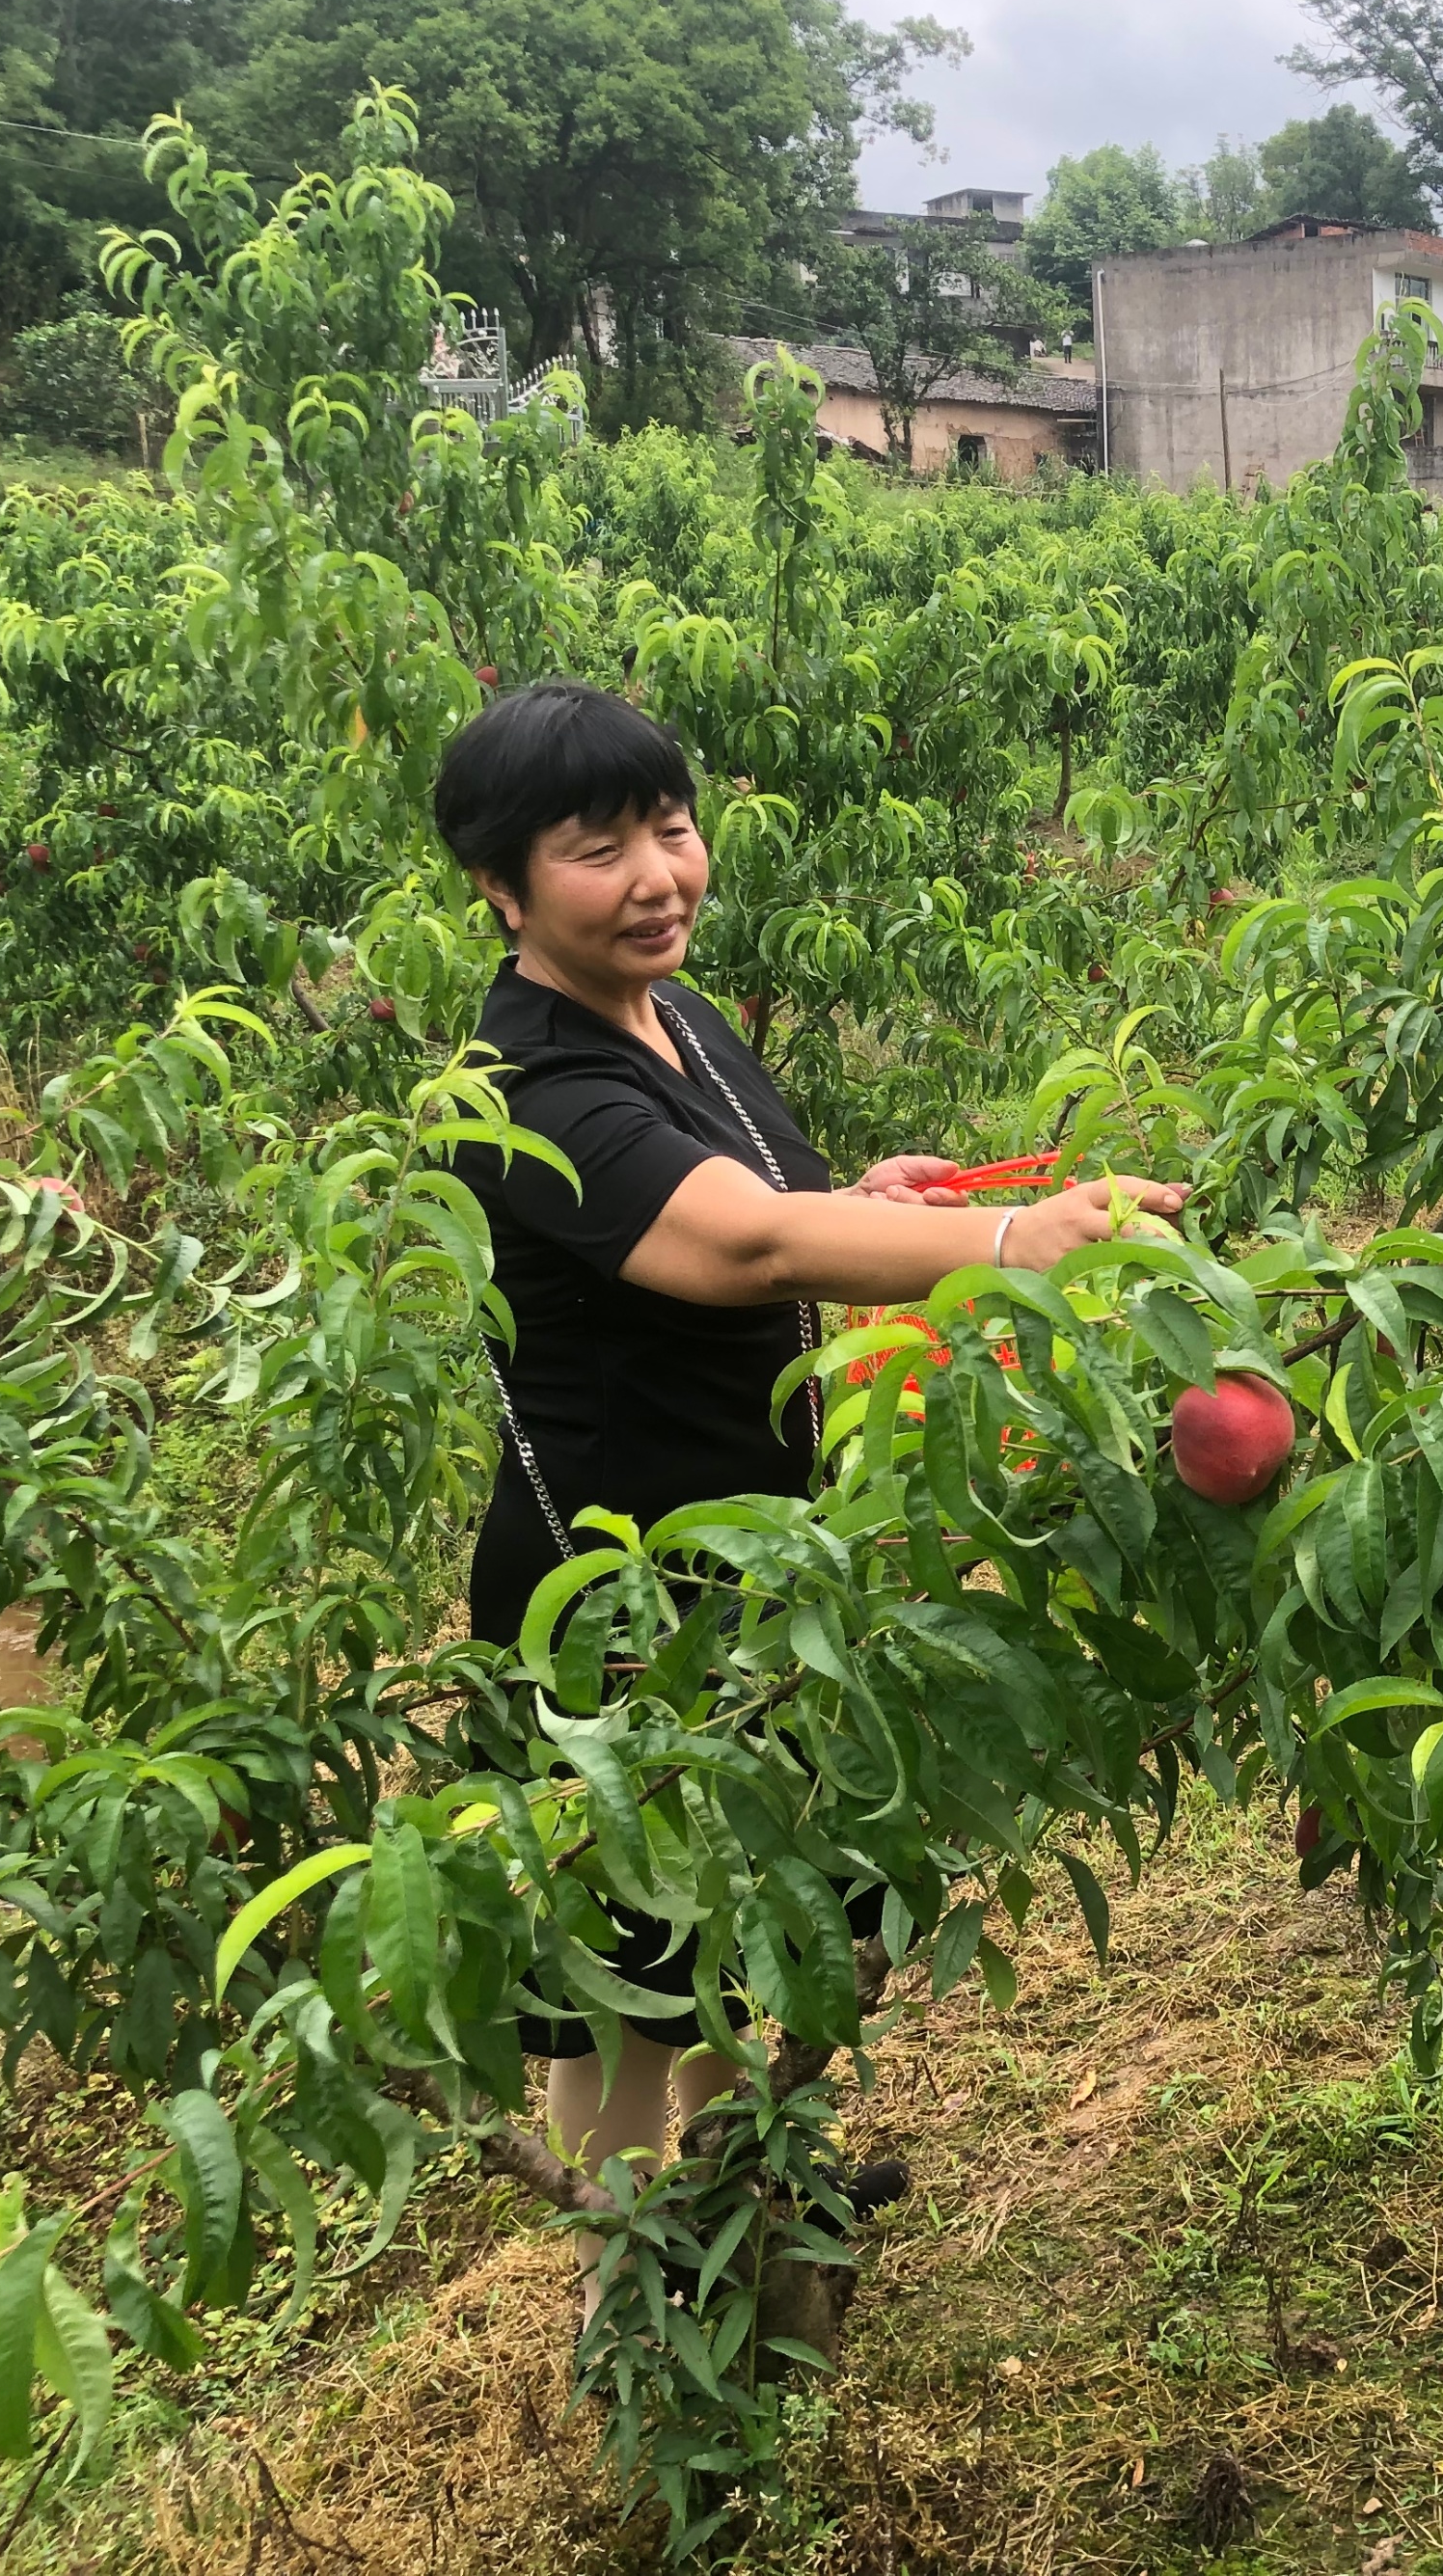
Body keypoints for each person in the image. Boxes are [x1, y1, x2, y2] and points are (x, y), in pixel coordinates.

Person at [433, 681, 1186, 2297]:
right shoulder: (526, 1086)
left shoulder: (679, 1016)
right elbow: (740, 1243)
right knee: (627, 1972)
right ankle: (637, 2294)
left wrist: (873, 1199)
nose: (658, 875)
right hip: (615, 1598)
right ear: (500, 887)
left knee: (753, 1919)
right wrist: (1008, 1239)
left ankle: (753, 2222)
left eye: (674, 828)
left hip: (765, 1561)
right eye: (597, 848)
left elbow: (778, 1202)